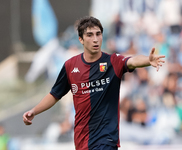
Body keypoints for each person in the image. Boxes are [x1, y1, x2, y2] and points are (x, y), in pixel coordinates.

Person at [23, 16, 165, 150]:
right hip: (82, 141)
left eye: (98, 34)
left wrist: (147, 60)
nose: (95, 39)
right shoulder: (70, 66)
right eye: (90, 35)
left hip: (106, 140)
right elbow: (54, 94)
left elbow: (132, 61)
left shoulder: (112, 62)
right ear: (81, 39)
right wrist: (34, 111)